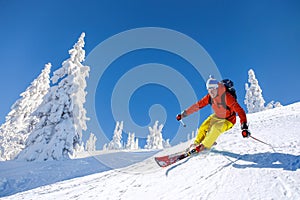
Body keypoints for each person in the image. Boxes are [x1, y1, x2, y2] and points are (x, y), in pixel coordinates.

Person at [176, 76, 250, 153]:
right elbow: (197, 105)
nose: (210, 92)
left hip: (228, 120)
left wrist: (244, 126)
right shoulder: (209, 97)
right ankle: (196, 144)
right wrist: (183, 114)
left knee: (216, 127)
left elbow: (240, 110)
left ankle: (204, 146)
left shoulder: (226, 96)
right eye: (209, 90)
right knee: (203, 127)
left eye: (212, 89)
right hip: (217, 116)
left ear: (217, 88)